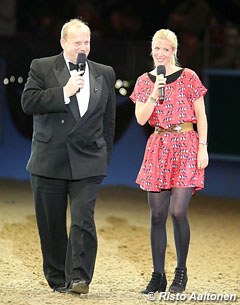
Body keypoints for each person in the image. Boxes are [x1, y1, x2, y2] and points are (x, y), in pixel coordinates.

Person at [21, 18, 116, 294]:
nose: (83, 47)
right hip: (49, 159)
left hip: (88, 160)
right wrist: (63, 92)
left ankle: (79, 277)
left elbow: (109, 121)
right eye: (77, 42)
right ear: (63, 43)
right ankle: (58, 277)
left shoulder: (104, 73)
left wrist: (103, 157)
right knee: (51, 224)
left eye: (86, 42)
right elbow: (28, 102)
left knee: (83, 219)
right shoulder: (42, 67)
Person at [129, 29, 208, 294]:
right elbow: (141, 118)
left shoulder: (189, 77)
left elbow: (201, 115)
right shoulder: (144, 81)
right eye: (157, 49)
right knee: (157, 215)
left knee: (177, 211)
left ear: (174, 50)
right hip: (159, 145)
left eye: (166, 49)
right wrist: (154, 92)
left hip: (186, 144)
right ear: (151, 50)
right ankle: (157, 275)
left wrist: (203, 148)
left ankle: (181, 272)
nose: (161, 54)